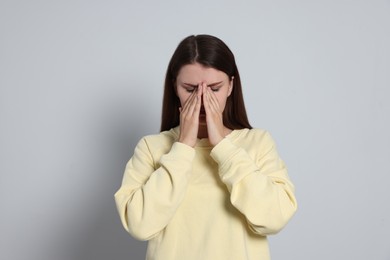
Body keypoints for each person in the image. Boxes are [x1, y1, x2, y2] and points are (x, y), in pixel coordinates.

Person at [114, 34, 297, 260]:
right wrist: (183, 146)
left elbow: (275, 217)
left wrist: (223, 146)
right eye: (190, 90)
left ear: (230, 86)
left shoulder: (258, 143)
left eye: (214, 89)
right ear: (175, 87)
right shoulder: (151, 148)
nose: (201, 100)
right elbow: (139, 225)